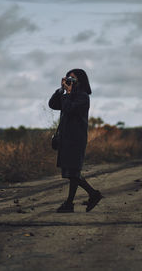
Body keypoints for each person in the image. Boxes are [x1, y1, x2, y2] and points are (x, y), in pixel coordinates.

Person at [48, 68, 103, 213]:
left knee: (73, 172)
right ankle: (70, 203)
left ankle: (92, 194)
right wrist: (61, 91)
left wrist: (69, 94)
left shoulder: (83, 97)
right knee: (72, 172)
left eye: (72, 78)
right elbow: (52, 105)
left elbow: (69, 109)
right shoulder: (68, 95)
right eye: (67, 78)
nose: (69, 81)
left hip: (76, 140)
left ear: (80, 80)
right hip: (66, 139)